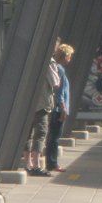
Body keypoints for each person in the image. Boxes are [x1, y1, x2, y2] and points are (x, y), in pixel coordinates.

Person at [25, 42, 61, 176]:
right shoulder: (49, 61)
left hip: (27, 103)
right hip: (41, 103)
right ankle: (36, 165)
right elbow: (55, 82)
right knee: (40, 133)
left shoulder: (30, 57)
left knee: (27, 133)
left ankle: (27, 164)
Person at [45, 43, 74, 173]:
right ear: (65, 56)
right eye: (70, 56)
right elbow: (60, 91)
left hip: (55, 107)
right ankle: (52, 163)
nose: (70, 59)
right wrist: (63, 109)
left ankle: (51, 162)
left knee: (52, 136)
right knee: (55, 136)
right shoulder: (60, 69)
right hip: (58, 108)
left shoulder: (56, 67)